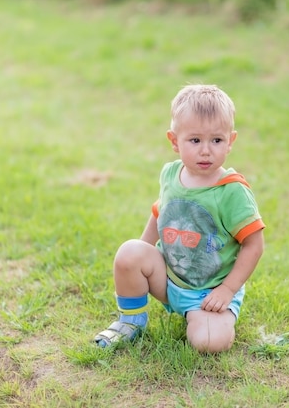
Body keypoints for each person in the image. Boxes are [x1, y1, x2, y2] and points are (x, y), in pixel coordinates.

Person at [94, 84, 265, 353]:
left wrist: (227, 290)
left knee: (210, 343)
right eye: (195, 140)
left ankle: (208, 320)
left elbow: (254, 245)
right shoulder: (171, 174)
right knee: (129, 252)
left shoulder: (232, 191)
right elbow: (162, 213)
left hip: (208, 293)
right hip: (169, 278)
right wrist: (141, 257)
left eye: (216, 140)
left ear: (230, 141)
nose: (206, 150)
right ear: (175, 141)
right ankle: (131, 322)